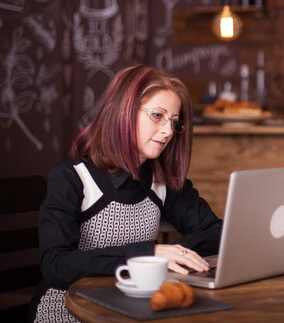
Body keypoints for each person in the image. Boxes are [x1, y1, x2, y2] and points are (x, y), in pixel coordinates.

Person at [30, 66, 222, 322]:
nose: (167, 132)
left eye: (174, 122)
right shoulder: (71, 178)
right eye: (157, 115)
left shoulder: (161, 181)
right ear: (124, 111)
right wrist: (148, 254)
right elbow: (56, 264)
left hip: (134, 307)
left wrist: (169, 252)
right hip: (68, 307)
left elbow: (218, 233)